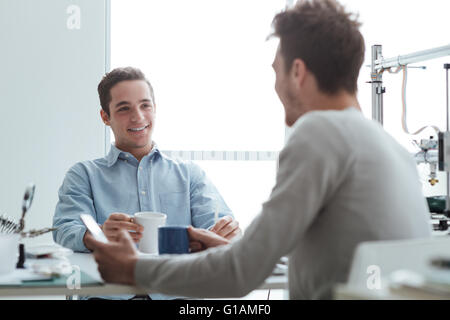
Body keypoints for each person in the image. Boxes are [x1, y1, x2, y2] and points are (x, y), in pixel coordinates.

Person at [85, 0, 431, 299]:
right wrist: (230, 248)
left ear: (297, 72)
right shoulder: (391, 148)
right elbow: (335, 259)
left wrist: (134, 270)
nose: (276, 85)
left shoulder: (319, 132)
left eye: (275, 71)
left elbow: (240, 274)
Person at [52, 67, 241, 300]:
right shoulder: (84, 174)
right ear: (105, 117)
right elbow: (64, 229)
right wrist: (99, 234)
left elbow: (219, 229)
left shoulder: (189, 174)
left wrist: (227, 231)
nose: (138, 117)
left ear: (155, 108)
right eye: (124, 108)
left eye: (145, 105)